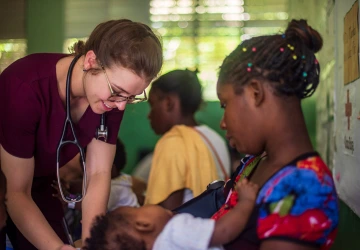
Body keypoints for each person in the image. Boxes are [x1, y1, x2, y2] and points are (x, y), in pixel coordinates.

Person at [0, 19, 162, 250]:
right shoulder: (25, 86)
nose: (122, 107)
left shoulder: (111, 100)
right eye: (119, 92)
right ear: (91, 60)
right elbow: (15, 192)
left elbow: (98, 173)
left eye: (132, 97)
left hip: (41, 187)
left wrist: (90, 243)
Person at [209, 19, 339, 250]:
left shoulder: (306, 187)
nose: (223, 122)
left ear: (255, 93)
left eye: (224, 104)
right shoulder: (254, 162)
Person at [83, 178, 259, 250]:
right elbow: (224, 231)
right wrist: (246, 202)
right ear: (143, 225)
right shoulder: (175, 230)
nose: (146, 206)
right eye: (138, 209)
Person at [145, 69, 231, 210]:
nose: (149, 115)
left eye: (152, 105)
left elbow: (164, 214)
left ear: (168, 103)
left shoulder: (173, 141)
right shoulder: (213, 136)